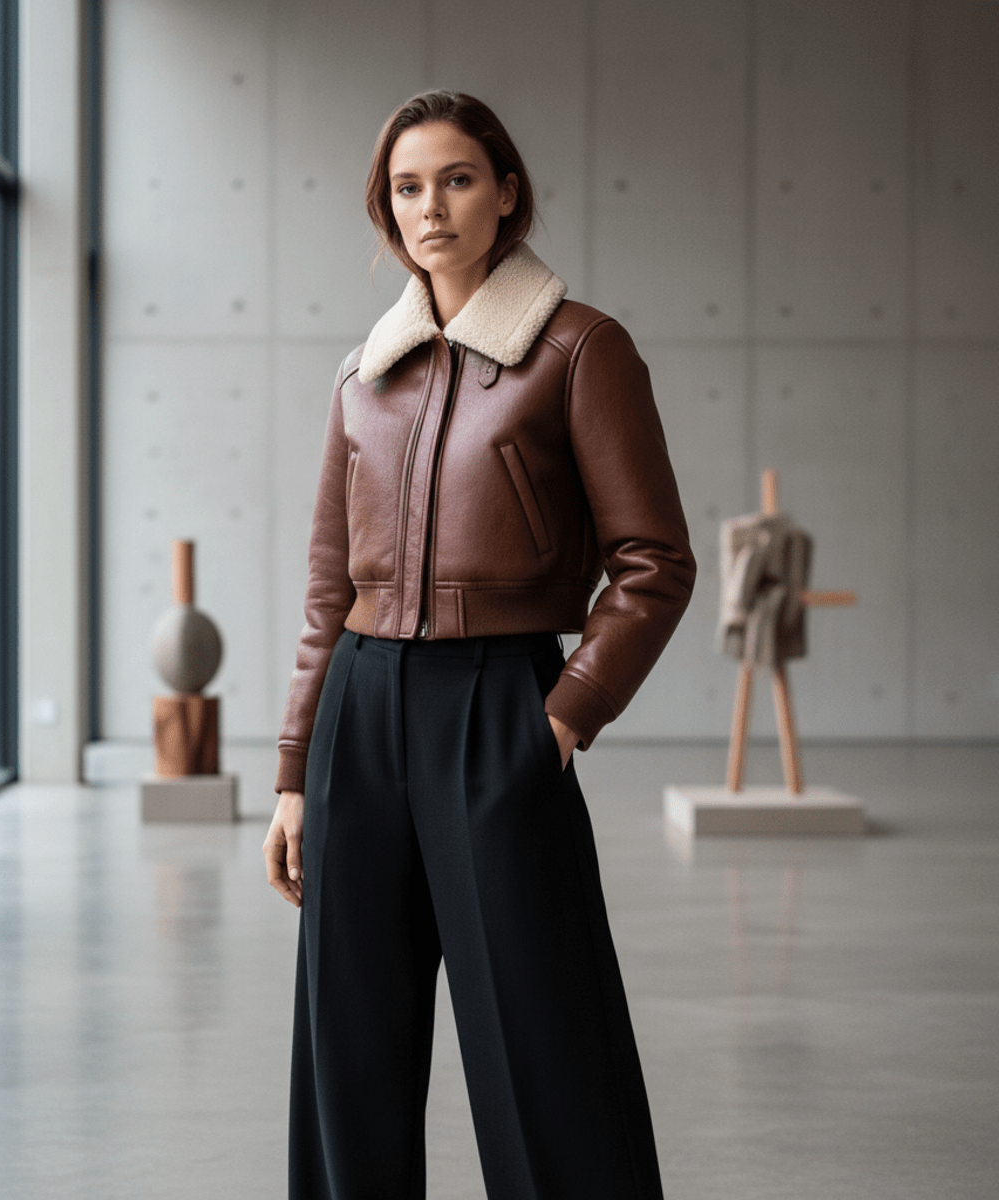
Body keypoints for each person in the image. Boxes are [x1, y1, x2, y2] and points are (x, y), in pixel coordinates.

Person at [263, 89, 695, 1200]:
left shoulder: (578, 350)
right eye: (407, 187)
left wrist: (562, 716)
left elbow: (654, 561)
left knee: (543, 1040)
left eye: (456, 179)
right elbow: (327, 590)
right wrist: (293, 777)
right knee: (347, 1047)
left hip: (498, 702)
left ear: (506, 194)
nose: (431, 207)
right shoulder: (363, 378)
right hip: (359, 716)